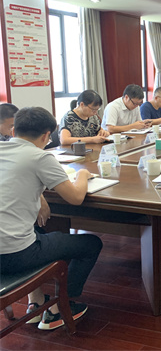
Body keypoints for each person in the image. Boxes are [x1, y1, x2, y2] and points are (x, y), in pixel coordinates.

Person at [0, 107, 103, 330]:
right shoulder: (40, 157)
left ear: (14, 130)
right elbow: (75, 197)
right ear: (47, 136)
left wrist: (39, 196)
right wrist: (83, 174)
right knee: (91, 244)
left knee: (39, 230)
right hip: (14, 256)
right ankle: (61, 307)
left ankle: (35, 303)